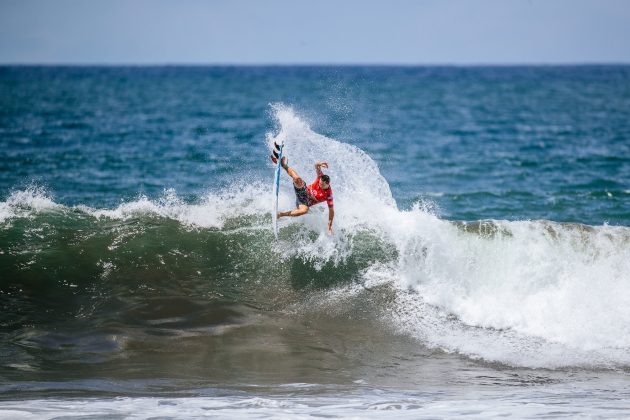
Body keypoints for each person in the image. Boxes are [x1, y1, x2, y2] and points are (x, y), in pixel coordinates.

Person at [272, 155, 334, 234]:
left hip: (304, 202)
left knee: (305, 210)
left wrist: (330, 224)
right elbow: (316, 166)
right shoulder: (320, 177)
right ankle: (284, 165)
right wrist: (320, 163)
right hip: (303, 190)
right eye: (319, 182)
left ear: (327, 184)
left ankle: (280, 214)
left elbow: (331, 210)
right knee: (298, 179)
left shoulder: (329, 195)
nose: (319, 185)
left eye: (322, 185)